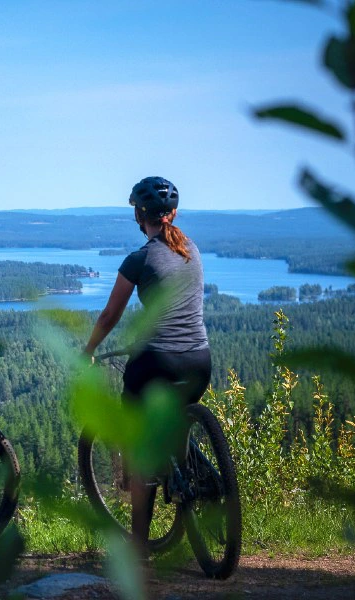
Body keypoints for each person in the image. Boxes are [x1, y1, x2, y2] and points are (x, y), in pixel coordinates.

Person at [83, 176, 211, 557]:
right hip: (199, 362)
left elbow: (110, 315)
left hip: (157, 362)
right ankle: (191, 475)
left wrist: (88, 350)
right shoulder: (193, 249)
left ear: (140, 215)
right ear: (173, 213)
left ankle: (138, 547)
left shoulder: (139, 259)